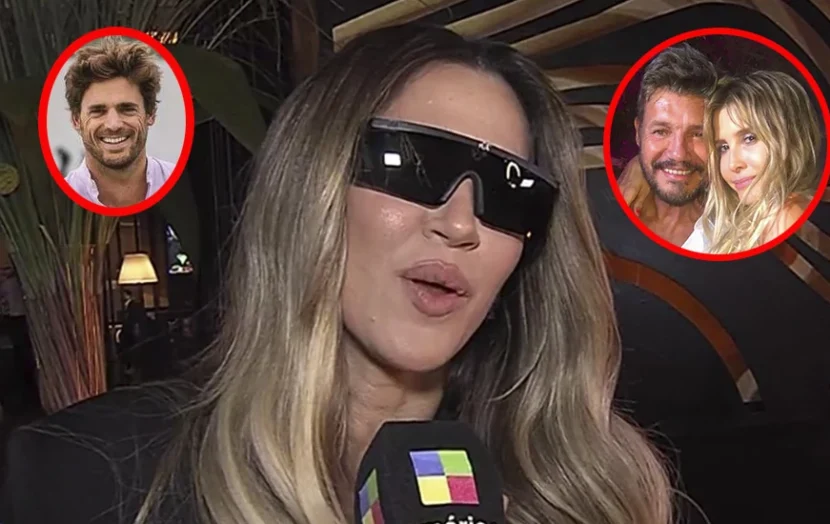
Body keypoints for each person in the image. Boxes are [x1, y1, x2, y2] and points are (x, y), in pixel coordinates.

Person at [2, 24, 673, 523]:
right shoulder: (87, 474)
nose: (460, 223)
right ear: (310, 187)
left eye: (509, 192)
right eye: (412, 164)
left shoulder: (594, 491)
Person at [693, 70, 821, 253]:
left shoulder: (784, 217)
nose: (732, 164)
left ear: (790, 137)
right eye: (723, 147)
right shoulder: (747, 222)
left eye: (749, 139)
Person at [616, 43, 718, 246]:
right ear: (638, 133)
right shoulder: (598, 212)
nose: (678, 153)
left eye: (698, 134)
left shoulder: (738, 234)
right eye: (661, 132)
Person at [63, 36, 173, 208]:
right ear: (76, 120)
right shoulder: (60, 200)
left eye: (127, 109)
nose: (113, 125)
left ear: (150, 114)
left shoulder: (178, 185)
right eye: (98, 111)